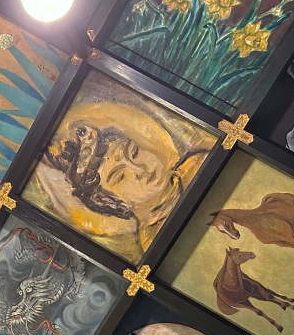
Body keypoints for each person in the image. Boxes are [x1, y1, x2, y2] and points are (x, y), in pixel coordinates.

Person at [25, 99, 212, 262]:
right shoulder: (154, 242)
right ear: (107, 201)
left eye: (134, 153)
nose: (139, 169)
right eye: (120, 176)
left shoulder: (202, 162)